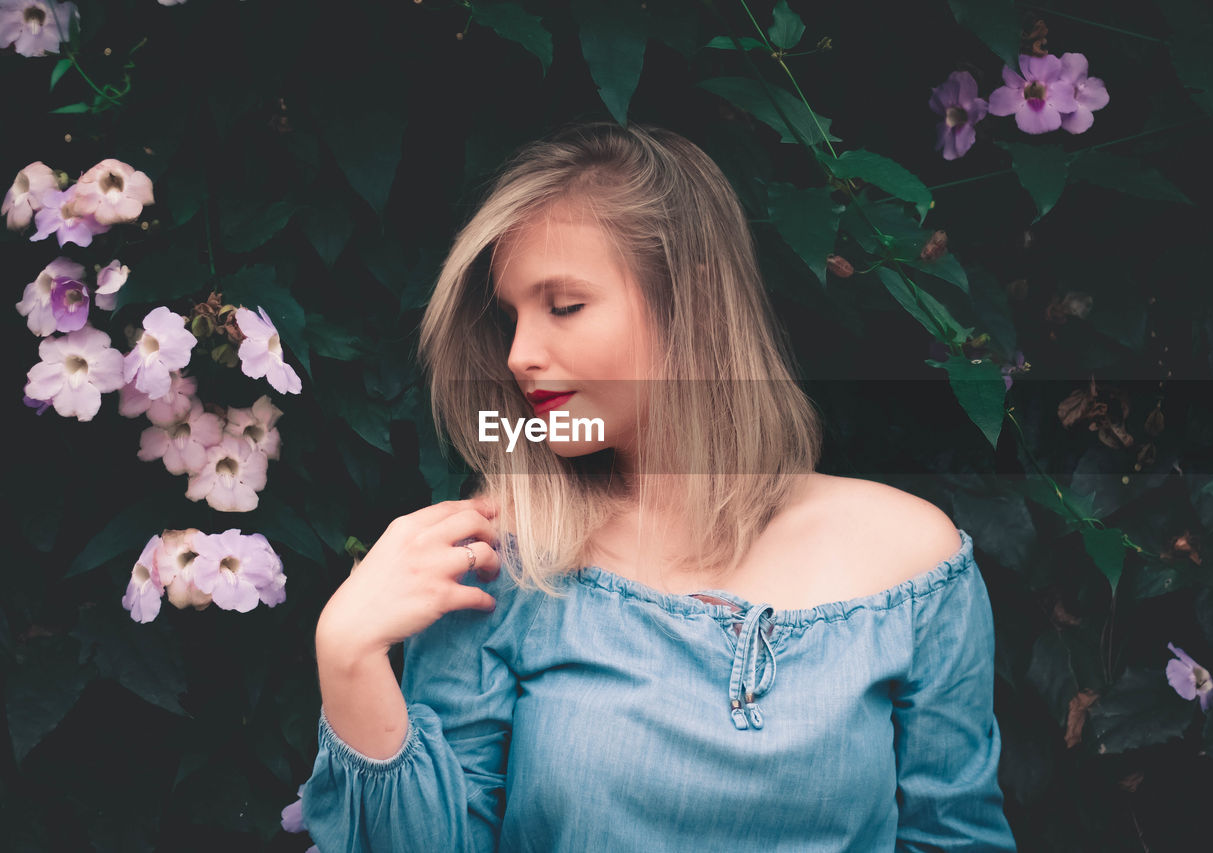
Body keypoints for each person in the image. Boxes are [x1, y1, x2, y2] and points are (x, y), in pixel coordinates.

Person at [302, 122, 1017, 851]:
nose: (519, 355)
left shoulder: (912, 560)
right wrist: (348, 657)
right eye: (510, 316)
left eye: (564, 306)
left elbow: (959, 838)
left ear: (690, 297)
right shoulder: (506, 559)